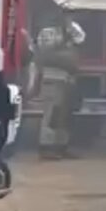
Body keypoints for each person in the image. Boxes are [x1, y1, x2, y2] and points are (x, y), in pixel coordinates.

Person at [36, 19, 83, 160]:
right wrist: (65, 52)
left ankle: (61, 146)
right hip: (53, 78)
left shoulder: (73, 28)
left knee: (65, 115)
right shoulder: (47, 32)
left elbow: (78, 46)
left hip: (69, 79)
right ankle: (46, 147)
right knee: (52, 113)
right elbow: (45, 56)